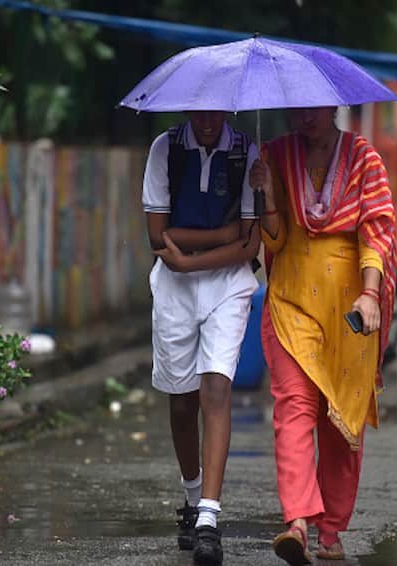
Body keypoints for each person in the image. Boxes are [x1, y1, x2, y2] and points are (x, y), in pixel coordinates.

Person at [249, 106, 397, 564]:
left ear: (333, 106)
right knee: (293, 406)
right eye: (295, 106)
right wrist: (268, 192)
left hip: (351, 306)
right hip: (291, 299)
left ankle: (330, 531)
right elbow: (272, 241)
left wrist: (371, 295)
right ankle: (296, 521)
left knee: (341, 421)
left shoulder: (364, 158)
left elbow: (378, 230)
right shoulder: (273, 155)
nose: (302, 114)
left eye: (312, 106)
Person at [142, 110, 261, 566]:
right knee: (181, 399)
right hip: (173, 289)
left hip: (228, 285)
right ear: (188, 107)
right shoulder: (164, 149)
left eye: (217, 111)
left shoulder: (246, 153)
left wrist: (193, 256)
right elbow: (158, 234)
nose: (208, 120)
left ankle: (209, 516)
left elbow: (251, 245)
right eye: (200, 111)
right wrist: (225, 235)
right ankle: (192, 496)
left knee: (217, 386)